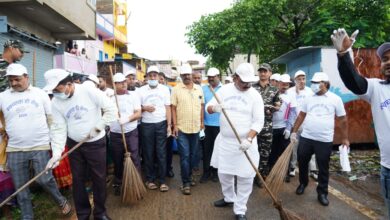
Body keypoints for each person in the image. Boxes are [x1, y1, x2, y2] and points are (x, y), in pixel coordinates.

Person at [43, 68, 117, 220]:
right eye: (54, 91)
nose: (56, 93)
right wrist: (57, 153)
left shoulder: (89, 91)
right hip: (74, 144)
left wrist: (99, 127)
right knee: (78, 180)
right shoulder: (56, 102)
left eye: (59, 89)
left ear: (69, 84)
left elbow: (111, 109)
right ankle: (83, 214)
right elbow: (58, 128)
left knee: (99, 178)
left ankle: (100, 213)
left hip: (96, 143)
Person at [0, 64, 71, 219]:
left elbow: (52, 119)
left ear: (26, 77)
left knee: (44, 179)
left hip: (40, 145)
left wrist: (55, 143)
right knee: (21, 188)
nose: (13, 83)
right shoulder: (3, 96)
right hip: (15, 149)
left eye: (17, 79)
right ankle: (27, 216)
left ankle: (61, 201)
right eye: (10, 80)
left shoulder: (40, 94)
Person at [331, 28, 390, 214]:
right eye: (385, 59)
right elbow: (354, 81)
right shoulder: (376, 88)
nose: (388, 62)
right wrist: (343, 55)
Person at [206, 63, 264, 220]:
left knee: (246, 176)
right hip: (226, 142)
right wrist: (215, 108)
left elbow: (259, 121)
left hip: (246, 143)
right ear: (234, 77)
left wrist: (249, 138)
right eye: (243, 81)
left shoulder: (255, 96)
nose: (247, 85)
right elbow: (208, 107)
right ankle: (229, 198)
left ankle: (240, 210)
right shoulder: (224, 90)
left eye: (249, 82)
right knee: (224, 174)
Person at [291, 72, 349, 206]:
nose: (314, 85)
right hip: (307, 137)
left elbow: (342, 119)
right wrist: (294, 132)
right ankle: (303, 183)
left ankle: (322, 192)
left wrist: (345, 138)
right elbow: (301, 115)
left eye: (318, 83)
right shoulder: (308, 98)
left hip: (324, 140)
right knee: (302, 161)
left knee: (323, 167)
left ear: (326, 84)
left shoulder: (335, 99)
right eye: (313, 82)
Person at [171, 63, 204, 195]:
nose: (187, 77)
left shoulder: (199, 89)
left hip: (196, 127)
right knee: (184, 156)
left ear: (191, 75)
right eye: (184, 75)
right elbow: (173, 108)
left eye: (188, 74)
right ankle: (185, 183)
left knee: (193, 155)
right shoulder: (176, 89)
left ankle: (189, 177)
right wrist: (174, 126)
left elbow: (202, 106)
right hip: (182, 128)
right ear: (181, 76)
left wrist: (202, 122)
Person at [139, 66, 171, 192]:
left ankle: (162, 181)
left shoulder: (164, 89)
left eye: (155, 75)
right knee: (148, 152)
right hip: (146, 124)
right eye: (150, 75)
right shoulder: (140, 91)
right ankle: (150, 179)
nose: (153, 77)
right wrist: (144, 108)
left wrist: (169, 125)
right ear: (146, 76)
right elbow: (137, 108)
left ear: (158, 76)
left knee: (161, 152)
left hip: (161, 123)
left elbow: (168, 107)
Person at [109, 73, 141, 195]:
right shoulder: (110, 98)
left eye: (124, 81)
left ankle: (135, 183)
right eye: (120, 82)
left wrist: (127, 119)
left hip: (131, 132)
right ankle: (119, 182)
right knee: (117, 160)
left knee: (134, 157)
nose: (123, 84)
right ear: (114, 84)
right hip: (115, 133)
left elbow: (138, 113)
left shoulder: (133, 96)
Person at [252, 63, 281, 186]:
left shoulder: (275, 89)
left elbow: (278, 105)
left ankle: (260, 176)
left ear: (270, 73)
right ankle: (250, 174)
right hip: (253, 126)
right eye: (261, 71)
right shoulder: (252, 88)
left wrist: (272, 108)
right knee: (252, 151)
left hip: (267, 126)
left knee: (265, 152)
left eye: (265, 71)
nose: (263, 73)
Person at [286, 70, 318, 178]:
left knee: (311, 147)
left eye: (303, 79)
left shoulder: (310, 91)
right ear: (295, 80)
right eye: (299, 79)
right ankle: (293, 167)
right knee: (294, 146)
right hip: (295, 124)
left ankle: (313, 169)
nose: (302, 81)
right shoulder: (290, 91)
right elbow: (288, 108)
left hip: (308, 125)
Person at [268, 74, 296, 183]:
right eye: (283, 84)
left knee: (285, 151)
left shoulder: (291, 96)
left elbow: (293, 113)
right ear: (278, 83)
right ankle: (273, 172)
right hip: (272, 127)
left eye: (287, 84)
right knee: (273, 151)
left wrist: (289, 128)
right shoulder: (272, 94)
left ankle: (285, 172)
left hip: (284, 127)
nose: (285, 86)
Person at [200, 67, 222, 183]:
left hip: (220, 125)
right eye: (209, 78)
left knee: (217, 149)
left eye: (213, 77)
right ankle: (206, 172)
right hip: (206, 125)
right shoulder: (203, 89)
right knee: (206, 150)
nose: (211, 79)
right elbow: (201, 106)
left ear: (219, 77)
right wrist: (201, 122)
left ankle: (215, 172)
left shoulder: (224, 89)